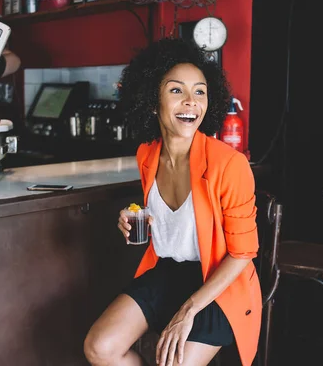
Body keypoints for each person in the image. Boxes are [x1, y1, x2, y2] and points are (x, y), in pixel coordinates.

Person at [84, 38, 262, 366]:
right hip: (167, 273)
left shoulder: (228, 164)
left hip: (219, 285)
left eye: (200, 92)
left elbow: (243, 253)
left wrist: (188, 310)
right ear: (153, 101)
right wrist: (135, 216)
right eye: (177, 91)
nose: (190, 102)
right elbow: (170, 219)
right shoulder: (147, 154)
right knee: (100, 347)